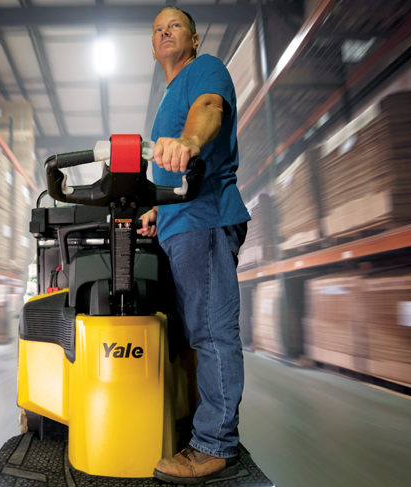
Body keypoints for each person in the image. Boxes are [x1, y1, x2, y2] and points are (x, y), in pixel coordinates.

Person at [137, 5, 251, 484]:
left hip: (205, 219)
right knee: (193, 335)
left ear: (195, 37)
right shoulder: (166, 95)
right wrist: (157, 211)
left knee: (210, 331)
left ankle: (214, 445)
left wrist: (188, 140)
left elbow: (210, 110)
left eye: (175, 25)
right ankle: (202, 425)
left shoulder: (204, 71)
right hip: (180, 221)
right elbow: (171, 177)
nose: (165, 32)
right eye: (158, 28)